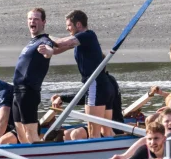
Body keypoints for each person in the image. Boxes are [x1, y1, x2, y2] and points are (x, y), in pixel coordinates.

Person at [38, 10, 114, 138]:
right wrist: (47, 50)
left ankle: (94, 155)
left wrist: (43, 36)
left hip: (94, 85)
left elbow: (61, 42)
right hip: (101, 85)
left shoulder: (87, 35)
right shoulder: (80, 41)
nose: (67, 28)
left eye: (69, 25)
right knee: (105, 130)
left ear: (78, 24)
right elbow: (57, 49)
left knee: (93, 130)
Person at [12, 8, 54, 143]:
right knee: (20, 133)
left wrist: (47, 51)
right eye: (30, 19)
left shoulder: (44, 40)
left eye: (36, 19)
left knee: (31, 133)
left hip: (29, 92)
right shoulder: (31, 42)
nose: (32, 21)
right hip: (17, 91)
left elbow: (49, 51)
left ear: (43, 22)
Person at [51, 71, 123, 140]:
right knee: (66, 134)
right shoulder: (102, 80)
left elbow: (85, 98)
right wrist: (62, 98)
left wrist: (62, 98)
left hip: (114, 126)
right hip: (101, 125)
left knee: (76, 134)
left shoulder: (104, 82)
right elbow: (87, 97)